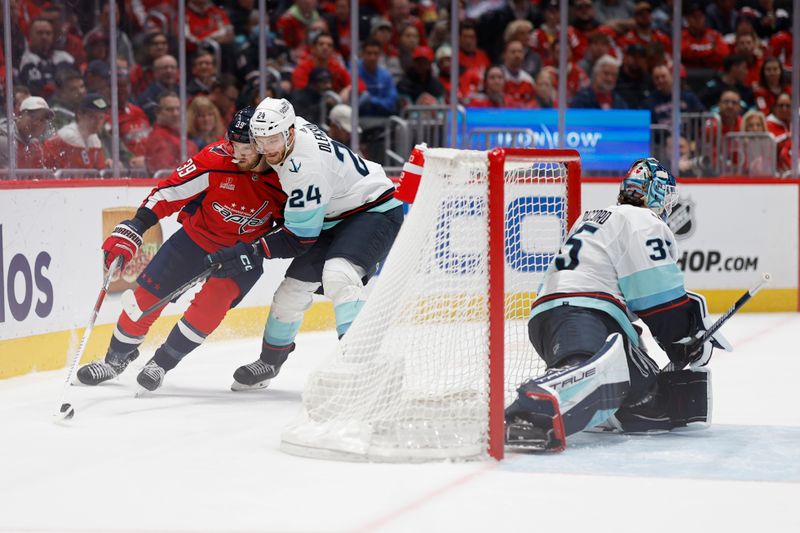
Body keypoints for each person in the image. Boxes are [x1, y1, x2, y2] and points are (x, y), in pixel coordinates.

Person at [504, 158, 730, 451]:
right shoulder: (642, 221)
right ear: (657, 193)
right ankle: (533, 407)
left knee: (653, 402)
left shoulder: (596, 216)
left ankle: (602, 404)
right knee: (593, 368)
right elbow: (657, 296)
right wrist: (683, 339)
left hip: (553, 318)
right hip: (584, 314)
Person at [76, 107, 286, 392]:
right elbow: (169, 192)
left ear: (265, 144)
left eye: (246, 147)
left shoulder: (287, 175)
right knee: (144, 299)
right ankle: (115, 361)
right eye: (233, 144)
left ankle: (160, 364)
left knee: (208, 310)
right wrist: (136, 226)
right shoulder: (215, 158)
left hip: (243, 253)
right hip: (196, 240)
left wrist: (258, 250)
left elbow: (296, 228)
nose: (238, 154)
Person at [204, 97, 403, 390]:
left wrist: (252, 251)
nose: (268, 149)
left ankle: (360, 364)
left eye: (274, 140)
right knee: (290, 292)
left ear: (290, 133)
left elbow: (299, 239)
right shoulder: (288, 126)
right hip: (333, 214)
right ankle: (270, 362)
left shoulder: (303, 168)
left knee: (339, 274)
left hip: (374, 209)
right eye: (261, 141)